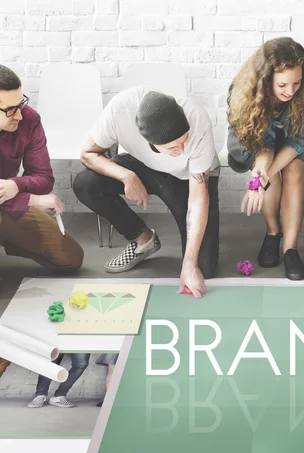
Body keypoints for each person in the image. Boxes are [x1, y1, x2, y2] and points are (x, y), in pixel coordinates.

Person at [74, 87, 220, 298]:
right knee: (86, 183)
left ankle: (191, 261)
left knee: (203, 267)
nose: (180, 149)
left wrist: (189, 264)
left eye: (184, 141)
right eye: (172, 147)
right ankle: (143, 238)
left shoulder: (198, 120)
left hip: (188, 176)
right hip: (142, 165)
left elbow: (198, 199)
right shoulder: (119, 110)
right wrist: (127, 176)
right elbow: (87, 154)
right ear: (150, 142)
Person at [227, 37, 304, 281]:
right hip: (253, 143)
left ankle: (290, 248)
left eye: (297, 83)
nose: (290, 91)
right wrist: (262, 171)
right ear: (265, 78)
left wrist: (263, 176)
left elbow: (299, 141)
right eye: (282, 84)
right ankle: (273, 232)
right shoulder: (243, 94)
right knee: (269, 173)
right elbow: (258, 145)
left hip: (292, 143)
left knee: (293, 169)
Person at [0, 64, 83, 273]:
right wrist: (31, 199)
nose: (19, 115)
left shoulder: (29, 119)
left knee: (71, 257)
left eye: (20, 104)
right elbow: (34, 195)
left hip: (9, 204)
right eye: (10, 110)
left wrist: (15, 185)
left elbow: (44, 178)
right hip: (14, 202)